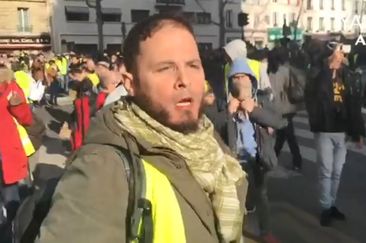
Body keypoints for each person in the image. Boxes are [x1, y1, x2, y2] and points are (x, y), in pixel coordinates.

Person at [37, 14, 248, 243]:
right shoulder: (103, 169)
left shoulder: (207, 138)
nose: (184, 79)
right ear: (130, 83)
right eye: (165, 68)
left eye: (193, 65)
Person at [222, 58, 285, 243]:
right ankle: (236, 236)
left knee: (261, 196)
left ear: (252, 79)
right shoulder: (224, 104)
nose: (240, 81)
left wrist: (256, 111)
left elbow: (279, 122)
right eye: (236, 77)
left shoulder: (261, 101)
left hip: (257, 158)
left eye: (244, 76)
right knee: (236, 202)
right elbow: (216, 128)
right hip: (235, 160)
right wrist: (229, 114)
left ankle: (265, 233)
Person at [305, 42, 365, 227]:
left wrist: (358, 132)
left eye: (342, 52)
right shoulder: (317, 73)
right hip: (324, 129)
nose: (341, 55)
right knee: (326, 171)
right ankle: (325, 208)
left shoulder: (349, 74)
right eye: (338, 52)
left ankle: (332, 204)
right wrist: (328, 68)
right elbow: (313, 96)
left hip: (343, 130)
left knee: (337, 172)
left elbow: (354, 104)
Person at [0, 65, 33, 236]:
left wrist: (17, 105)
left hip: (5, 152)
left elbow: (27, 118)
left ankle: (14, 233)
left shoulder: (10, 87)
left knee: (11, 196)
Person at [268, 48, 304, 171]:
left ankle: (273, 157)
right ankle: (297, 161)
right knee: (288, 136)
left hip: (273, 107)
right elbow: (291, 87)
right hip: (287, 108)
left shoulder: (267, 71)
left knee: (283, 135)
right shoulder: (285, 71)